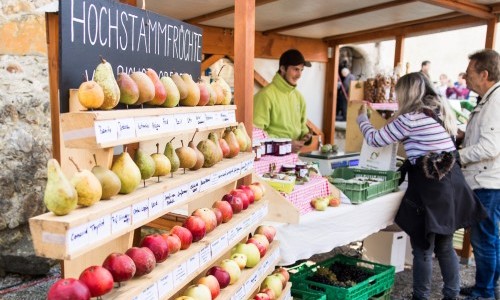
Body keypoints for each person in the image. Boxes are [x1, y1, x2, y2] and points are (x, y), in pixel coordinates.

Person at [357, 72, 486, 300]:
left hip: (431, 190)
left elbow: (375, 139)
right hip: (451, 185)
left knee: (423, 249)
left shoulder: (410, 118)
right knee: (445, 247)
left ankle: (421, 297)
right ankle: (451, 295)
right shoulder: (438, 113)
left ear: (406, 93)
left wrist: (362, 119)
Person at [458, 49, 500, 300]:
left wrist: (457, 156)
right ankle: (487, 287)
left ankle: (484, 292)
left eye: (469, 72)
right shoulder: (490, 99)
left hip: (487, 182)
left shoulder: (495, 102)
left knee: (484, 241)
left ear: (484, 74)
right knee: (490, 238)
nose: (465, 77)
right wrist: (465, 139)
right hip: (488, 180)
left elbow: (491, 147)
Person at [253, 49, 312, 152]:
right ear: (283, 68)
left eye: (301, 70)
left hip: (293, 160)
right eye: (295, 69)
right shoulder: (265, 96)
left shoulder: (299, 98)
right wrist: (286, 146)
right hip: (270, 163)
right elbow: (255, 134)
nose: (299, 75)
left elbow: (302, 128)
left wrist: (307, 136)